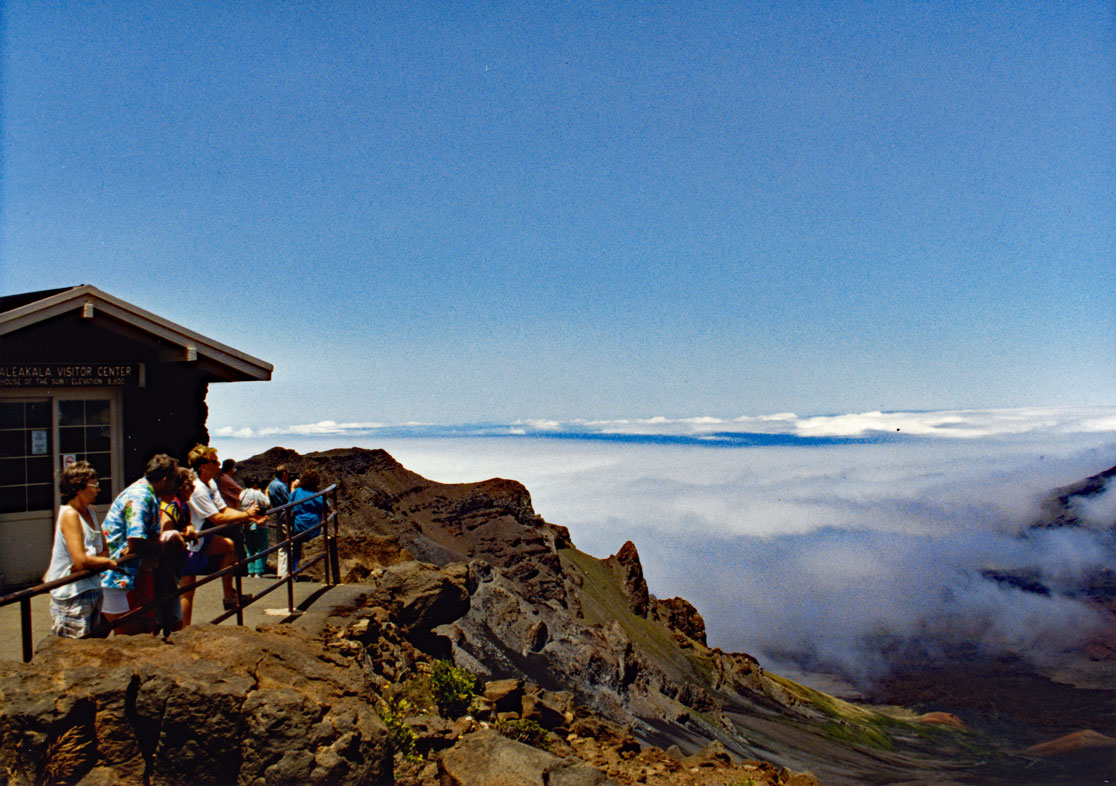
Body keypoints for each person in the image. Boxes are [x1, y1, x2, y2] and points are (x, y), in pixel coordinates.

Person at [100, 454, 181, 634]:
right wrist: (158, 546)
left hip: (134, 574)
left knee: (145, 626)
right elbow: (135, 541)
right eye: (173, 480)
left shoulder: (149, 494)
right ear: (165, 479)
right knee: (133, 633)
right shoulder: (140, 497)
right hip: (122, 577)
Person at [185, 445, 265, 610]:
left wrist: (247, 514)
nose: (219, 464)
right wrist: (246, 515)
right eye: (214, 462)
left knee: (229, 546)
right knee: (187, 592)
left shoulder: (211, 483)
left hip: (199, 537)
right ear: (203, 466)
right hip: (188, 542)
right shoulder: (198, 488)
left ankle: (229, 596)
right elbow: (218, 518)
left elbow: (223, 509)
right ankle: (182, 633)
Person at [43, 461, 116, 638]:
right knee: (75, 650)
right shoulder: (69, 515)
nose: (98, 490)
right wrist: (105, 562)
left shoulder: (92, 511)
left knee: (94, 647)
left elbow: (105, 549)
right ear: (79, 488)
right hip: (73, 595)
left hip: (92, 588)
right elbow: (80, 560)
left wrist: (94, 561)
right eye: (94, 485)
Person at [288, 469, 327, 576]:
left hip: (299, 525)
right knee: (313, 551)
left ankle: (294, 573)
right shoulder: (317, 496)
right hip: (313, 527)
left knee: (296, 551)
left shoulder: (296, 492)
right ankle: (310, 572)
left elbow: (289, 504)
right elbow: (326, 506)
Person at [240, 478, 270, 577]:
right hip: (259, 524)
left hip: (247, 524)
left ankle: (251, 571)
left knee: (250, 549)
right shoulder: (257, 493)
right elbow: (267, 503)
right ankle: (258, 571)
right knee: (261, 548)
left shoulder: (242, 494)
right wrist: (266, 492)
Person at [267, 465, 291, 577]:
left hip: (278, 515)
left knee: (281, 545)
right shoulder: (281, 486)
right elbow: (289, 501)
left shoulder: (271, 485)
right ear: (284, 474)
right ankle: (288, 572)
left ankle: (281, 572)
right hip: (286, 515)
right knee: (289, 543)